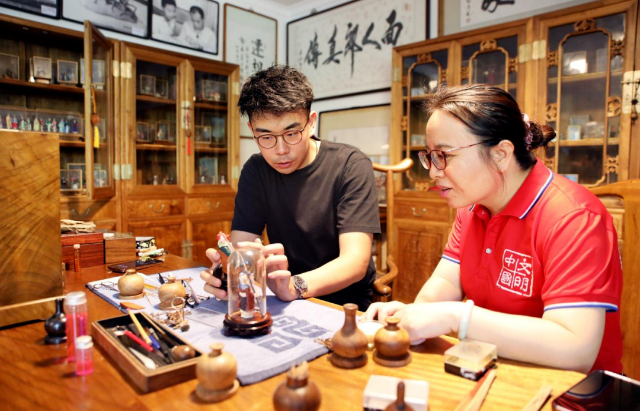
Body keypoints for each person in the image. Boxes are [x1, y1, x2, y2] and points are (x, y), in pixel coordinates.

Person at [365, 84, 622, 374]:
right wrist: (412, 316)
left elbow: (576, 349)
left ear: (501, 153)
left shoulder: (574, 218)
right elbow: (448, 282)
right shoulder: (472, 206)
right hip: (492, 367)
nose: (434, 171)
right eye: (431, 156)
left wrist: (456, 317)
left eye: (444, 155)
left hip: (571, 388)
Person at [200, 66, 380, 310]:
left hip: (344, 302)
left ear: (311, 123)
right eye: (266, 137)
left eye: (292, 133)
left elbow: (355, 262)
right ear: (252, 130)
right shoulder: (256, 170)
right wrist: (230, 272)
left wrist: (295, 287)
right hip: (281, 295)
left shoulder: (350, 165)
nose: (281, 150)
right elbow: (242, 247)